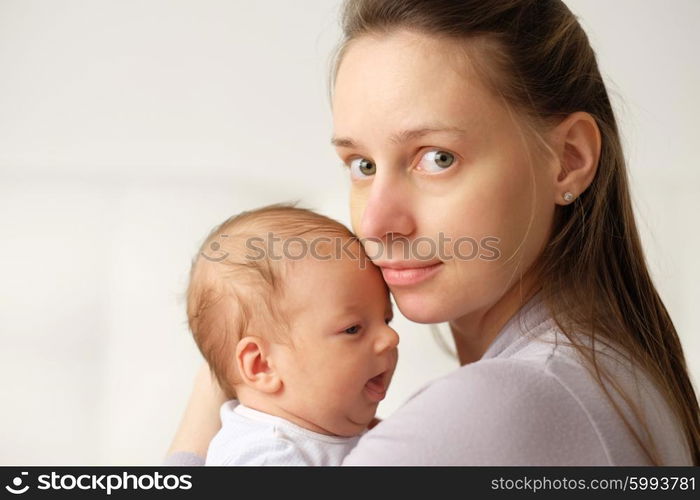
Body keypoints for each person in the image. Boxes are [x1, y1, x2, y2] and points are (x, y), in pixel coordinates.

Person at [165, 0, 699, 465]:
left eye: (437, 158)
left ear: (568, 160)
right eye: (362, 165)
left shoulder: (500, 407)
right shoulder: (609, 373)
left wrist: (225, 390)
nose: (374, 223)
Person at [186, 205, 398, 465]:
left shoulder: (348, 433)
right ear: (263, 365)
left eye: (386, 319)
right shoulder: (264, 454)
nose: (390, 338)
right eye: (352, 329)